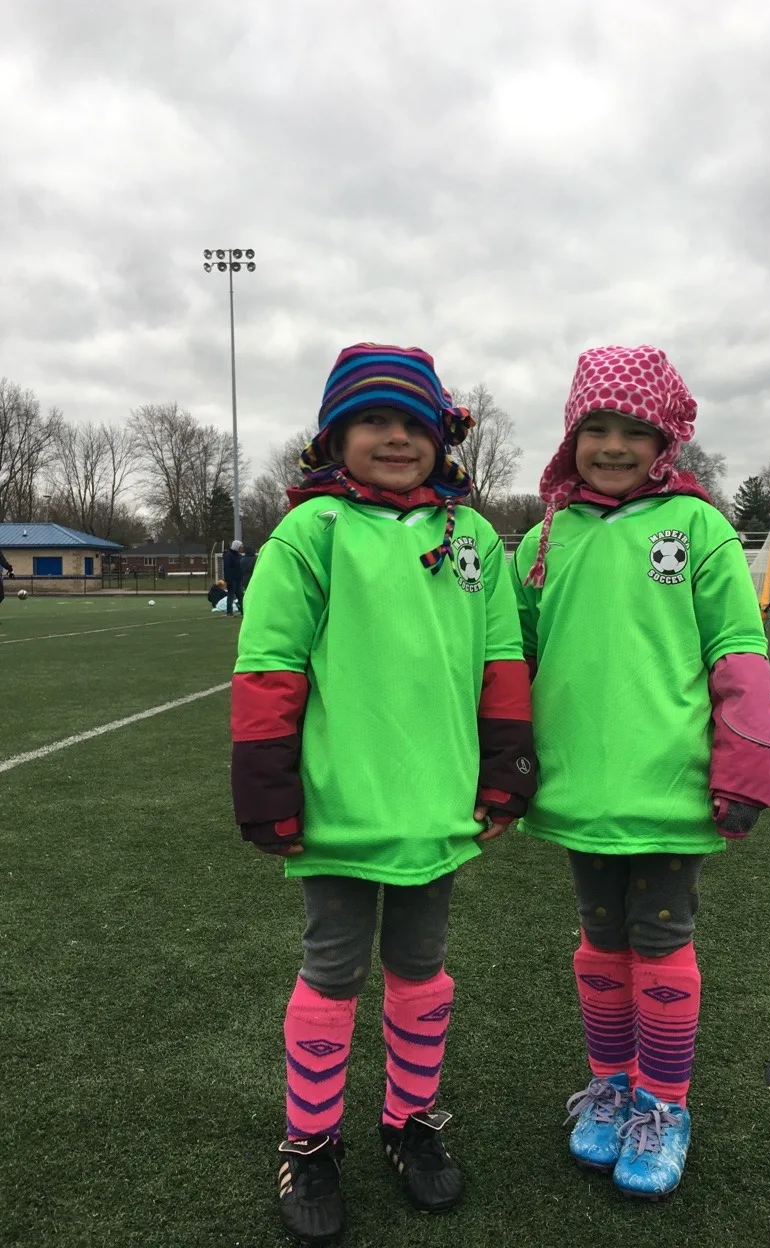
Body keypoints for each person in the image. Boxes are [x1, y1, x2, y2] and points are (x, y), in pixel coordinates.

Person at [231, 343, 536, 1246]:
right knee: (333, 968)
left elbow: (502, 660)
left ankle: (410, 1120)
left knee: (421, 969)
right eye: (374, 421)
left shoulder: (473, 536)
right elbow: (270, 665)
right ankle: (310, 1139)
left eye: (414, 423)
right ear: (335, 437)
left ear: (443, 437)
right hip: (337, 809)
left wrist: (506, 766)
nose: (396, 438)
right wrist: (267, 786)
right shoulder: (311, 533)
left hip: (436, 809)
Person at [511, 345, 770, 1199]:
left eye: (635, 430)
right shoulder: (547, 535)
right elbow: (511, 656)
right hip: (579, 790)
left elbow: (738, 649)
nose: (615, 446)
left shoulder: (697, 527)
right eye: (597, 428)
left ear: (665, 440)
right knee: (599, 944)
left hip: (668, 789)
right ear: (572, 435)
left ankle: (665, 1105)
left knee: (659, 942)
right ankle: (614, 1085)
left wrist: (745, 763)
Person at [222, 540, 244, 615]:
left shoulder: (239, 556)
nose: (242, 549)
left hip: (238, 579)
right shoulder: (228, 556)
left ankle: (243, 611)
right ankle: (229, 612)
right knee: (230, 596)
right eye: (240, 547)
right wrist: (228, 579)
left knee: (240, 596)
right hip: (231, 579)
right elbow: (227, 569)